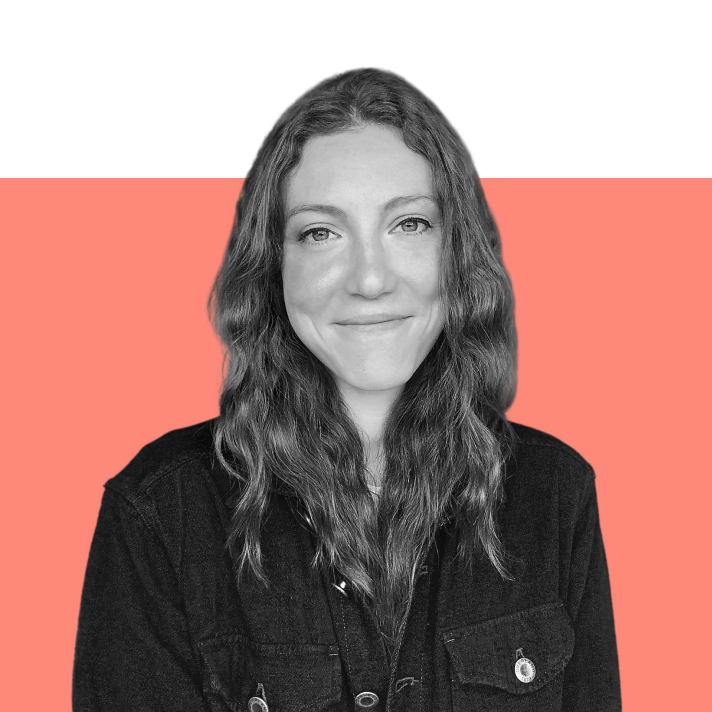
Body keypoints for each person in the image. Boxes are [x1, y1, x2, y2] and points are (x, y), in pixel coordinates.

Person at [72, 67, 622, 711]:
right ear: (274, 265)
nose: (369, 279)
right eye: (321, 232)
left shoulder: (554, 494)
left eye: (409, 224)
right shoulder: (161, 513)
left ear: (457, 250)